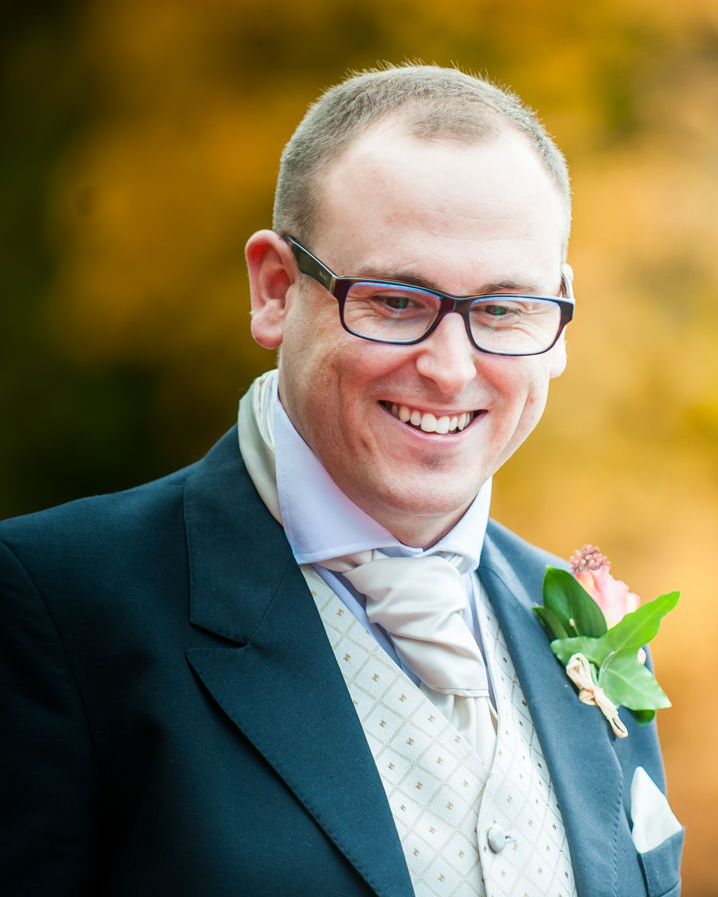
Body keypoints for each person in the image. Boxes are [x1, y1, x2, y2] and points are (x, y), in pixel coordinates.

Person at [0, 64, 682, 896]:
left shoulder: (590, 631)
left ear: (560, 319)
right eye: (395, 301)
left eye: (504, 309)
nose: (450, 369)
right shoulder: (52, 605)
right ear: (275, 291)